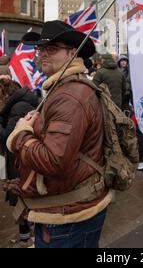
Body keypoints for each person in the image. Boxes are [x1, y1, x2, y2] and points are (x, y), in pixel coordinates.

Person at [4, 21, 112, 248]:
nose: (43, 55)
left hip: (68, 219)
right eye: (41, 49)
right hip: (69, 208)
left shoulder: (69, 96)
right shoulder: (64, 88)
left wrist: (20, 134)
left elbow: (53, 160)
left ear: (73, 53)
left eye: (52, 49)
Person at [0, 77, 39, 247]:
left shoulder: (18, 107)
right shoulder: (23, 102)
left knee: (23, 195)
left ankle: (25, 237)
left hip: (19, 161)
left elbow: (10, 138)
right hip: (25, 159)